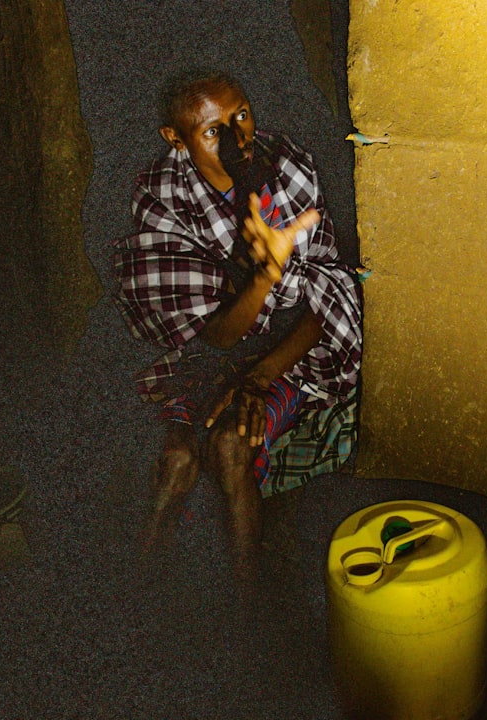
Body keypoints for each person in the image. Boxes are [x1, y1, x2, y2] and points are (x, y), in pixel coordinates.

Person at [111, 71, 362, 566]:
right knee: (176, 461)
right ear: (175, 139)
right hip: (201, 358)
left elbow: (329, 294)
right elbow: (218, 336)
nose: (237, 137)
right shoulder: (163, 199)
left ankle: (246, 609)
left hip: (289, 352)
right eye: (212, 130)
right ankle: (139, 592)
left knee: (232, 445)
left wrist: (262, 376)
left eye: (241, 115)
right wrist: (266, 276)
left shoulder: (288, 168)